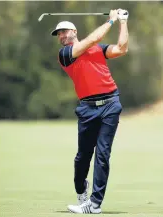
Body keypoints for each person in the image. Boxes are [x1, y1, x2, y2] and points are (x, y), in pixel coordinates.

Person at [51, 9, 129, 214]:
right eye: (58, 34)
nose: (61, 36)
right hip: (87, 109)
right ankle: (81, 190)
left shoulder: (97, 49)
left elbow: (121, 48)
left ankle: (94, 204)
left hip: (111, 104)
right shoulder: (65, 55)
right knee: (83, 157)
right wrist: (111, 21)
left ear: (74, 31)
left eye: (64, 31)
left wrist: (123, 22)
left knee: (102, 154)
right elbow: (93, 38)